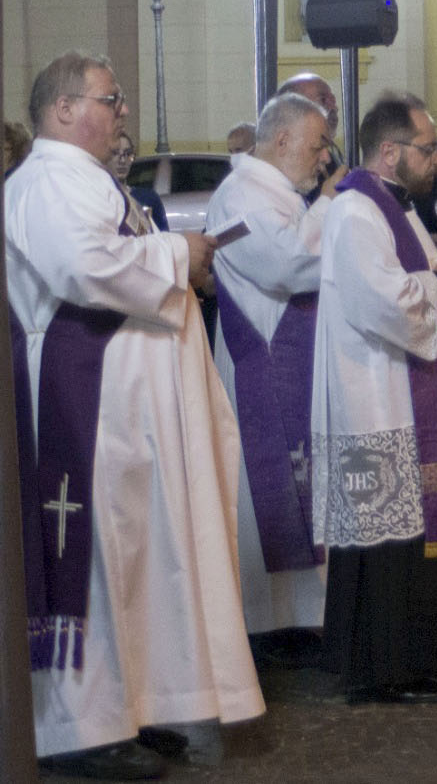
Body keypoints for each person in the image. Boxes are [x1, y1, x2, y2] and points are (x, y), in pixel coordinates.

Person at [8, 51, 261, 779]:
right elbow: (84, 268)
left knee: (139, 556)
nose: (122, 111)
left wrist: (177, 255)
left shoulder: (83, 178)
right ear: (62, 108)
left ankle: (133, 706)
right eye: (109, 99)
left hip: (121, 402)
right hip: (80, 399)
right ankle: (80, 726)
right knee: (89, 559)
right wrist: (177, 252)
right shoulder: (47, 180)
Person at [311, 93, 437, 706]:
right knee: (389, 542)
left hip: (415, 393)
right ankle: (385, 669)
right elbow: (382, 303)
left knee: (420, 540)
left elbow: (424, 285)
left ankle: (425, 658)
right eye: (426, 148)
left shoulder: (400, 208)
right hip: (382, 400)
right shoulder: (357, 212)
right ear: (389, 152)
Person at [207, 92, 343, 664]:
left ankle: (298, 618)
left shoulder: (278, 192)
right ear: (282, 140)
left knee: (300, 491)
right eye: (317, 147)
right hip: (264, 369)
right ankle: (268, 625)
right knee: (264, 492)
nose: (323, 159)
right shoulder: (241, 195)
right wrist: (330, 205)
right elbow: (286, 265)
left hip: (292, 362)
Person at [111, 131, 168, 232]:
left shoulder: (148, 198)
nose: (123, 160)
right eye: (116, 153)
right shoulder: (100, 198)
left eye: (128, 154)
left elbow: (163, 237)